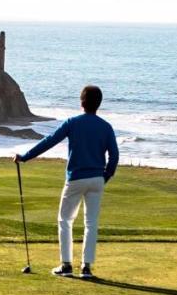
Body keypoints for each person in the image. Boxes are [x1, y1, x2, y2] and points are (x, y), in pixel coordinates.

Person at [15, 85, 119, 279]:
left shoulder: (73, 123)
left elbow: (49, 141)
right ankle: (86, 268)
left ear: (82, 102)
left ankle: (66, 265)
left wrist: (25, 157)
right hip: (97, 179)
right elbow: (114, 157)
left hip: (76, 178)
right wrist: (105, 177)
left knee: (65, 220)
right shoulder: (106, 127)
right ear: (99, 104)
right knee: (91, 223)